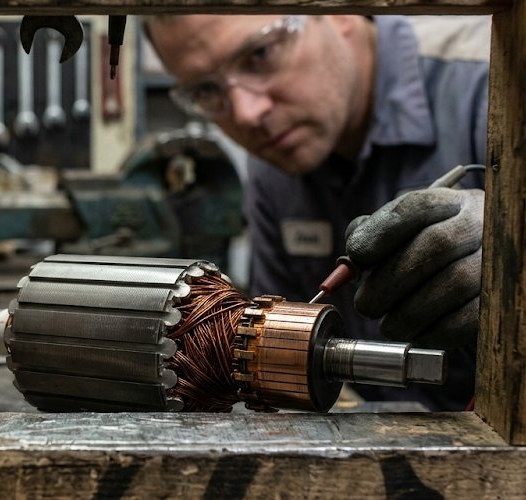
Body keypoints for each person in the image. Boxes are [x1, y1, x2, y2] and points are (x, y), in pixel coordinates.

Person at [144, 14, 490, 410]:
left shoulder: (494, 84)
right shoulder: (275, 167)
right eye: (206, 89)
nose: (246, 114)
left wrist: (512, 259)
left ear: (340, 11)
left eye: (260, 54)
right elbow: (274, 362)